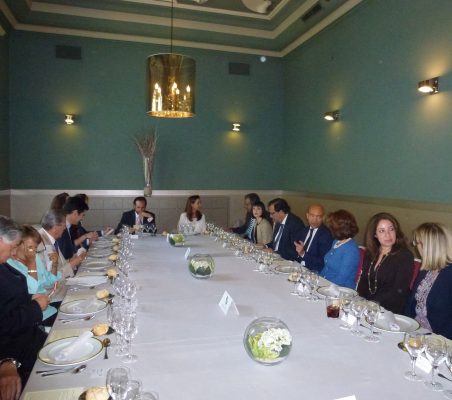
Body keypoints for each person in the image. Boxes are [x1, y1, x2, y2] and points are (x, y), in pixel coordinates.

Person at [0, 216, 49, 393]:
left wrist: (30, 297)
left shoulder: (2, 264)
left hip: (28, 339)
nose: (13, 253)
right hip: (17, 353)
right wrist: (6, 360)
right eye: (13, 247)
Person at [357, 213, 413, 313]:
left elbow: (397, 290)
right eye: (382, 231)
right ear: (374, 234)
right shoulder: (371, 252)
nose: (388, 235)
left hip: (390, 310)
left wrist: (371, 304)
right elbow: (364, 280)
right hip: (369, 306)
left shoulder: (405, 256)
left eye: (391, 229)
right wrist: (359, 300)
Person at [8, 225, 62, 326]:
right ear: (17, 245)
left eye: (35, 247)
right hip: (36, 315)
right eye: (30, 247)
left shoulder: (35, 257)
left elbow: (50, 283)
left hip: (48, 308)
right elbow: (31, 292)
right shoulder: (10, 265)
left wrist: (54, 265)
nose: (33, 251)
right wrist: (31, 264)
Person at [405, 223, 452, 339]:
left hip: (439, 340)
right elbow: (411, 304)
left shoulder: (449, 275)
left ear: (428, 246)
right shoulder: (426, 270)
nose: (416, 247)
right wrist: (404, 326)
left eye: (417, 243)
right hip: (416, 332)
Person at [320, 209, 360, 289]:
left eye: (332, 227)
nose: (330, 229)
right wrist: (318, 279)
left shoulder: (351, 250)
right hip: (326, 284)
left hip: (341, 289)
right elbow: (326, 268)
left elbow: (341, 279)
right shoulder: (336, 241)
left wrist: (322, 285)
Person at [38, 209, 83, 278]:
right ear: (55, 228)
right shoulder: (40, 243)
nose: (65, 228)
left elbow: (61, 264)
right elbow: (49, 277)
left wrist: (74, 259)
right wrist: (72, 264)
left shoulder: (51, 238)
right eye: (64, 225)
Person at [294, 204, 333, 272]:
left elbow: (322, 261)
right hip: (298, 266)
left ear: (323, 217)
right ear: (307, 216)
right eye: (312, 216)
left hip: (313, 271)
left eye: (318, 217)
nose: (315, 220)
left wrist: (303, 254)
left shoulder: (326, 235)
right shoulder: (304, 230)